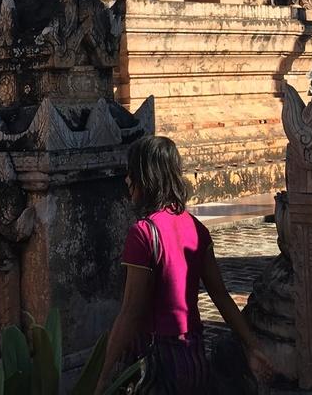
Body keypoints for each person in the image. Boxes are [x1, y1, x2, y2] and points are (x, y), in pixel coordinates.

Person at [101, 135, 274, 393]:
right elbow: (220, 295)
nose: (127, 180)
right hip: (194, 357)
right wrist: (253, 346)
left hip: (157, 363)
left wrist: (103, 376)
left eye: (131, 172)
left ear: (146, 177)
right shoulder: (197, 228)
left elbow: (130, 312)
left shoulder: (143, 234)